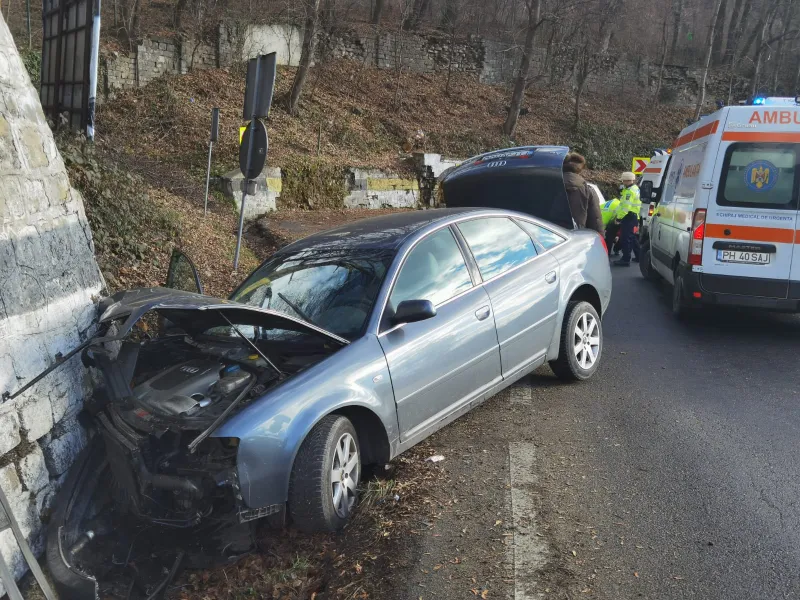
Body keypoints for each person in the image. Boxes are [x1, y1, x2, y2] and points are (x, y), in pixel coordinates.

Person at [562, 153, 603, 234]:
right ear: (580, 170)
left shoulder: (550, 186)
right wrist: (601, 238)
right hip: (577, 236)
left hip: (549, 237)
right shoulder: (588, 190)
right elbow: (595, 220)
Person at [613, 172, 642, 266]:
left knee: (625, 238)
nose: (622, 182)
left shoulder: (629, 191)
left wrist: (619, 218)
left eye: (623, 180)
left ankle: (625, 260)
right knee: (632, 238)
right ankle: (639, 257)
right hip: (634, 217)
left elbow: (626, 207)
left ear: (626, 180)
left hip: (628, 217)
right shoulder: (635, 188)